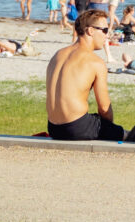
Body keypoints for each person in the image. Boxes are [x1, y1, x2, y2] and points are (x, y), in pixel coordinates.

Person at [46, 11, 123, 141]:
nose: (107, 35)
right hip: (77, 128)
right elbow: (104, 108)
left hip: (53, 128)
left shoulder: (57, 55)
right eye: (104, 30)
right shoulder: (95, 62)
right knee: (129, 134)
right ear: (90, 31)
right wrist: (110, 129)